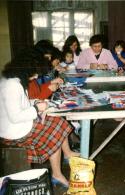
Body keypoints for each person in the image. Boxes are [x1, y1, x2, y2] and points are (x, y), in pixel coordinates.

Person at [0, 48, 79, 188]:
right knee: (55, 130)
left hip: (19, 125)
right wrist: (36, 108)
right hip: (13, 131)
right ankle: (57, 174)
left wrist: (36, 102)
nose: (36, 77)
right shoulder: (12, 85)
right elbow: (15, 117)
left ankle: (57, 173)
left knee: (58, 122)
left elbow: (22, 103)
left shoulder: (15, 80)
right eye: (35, 73)